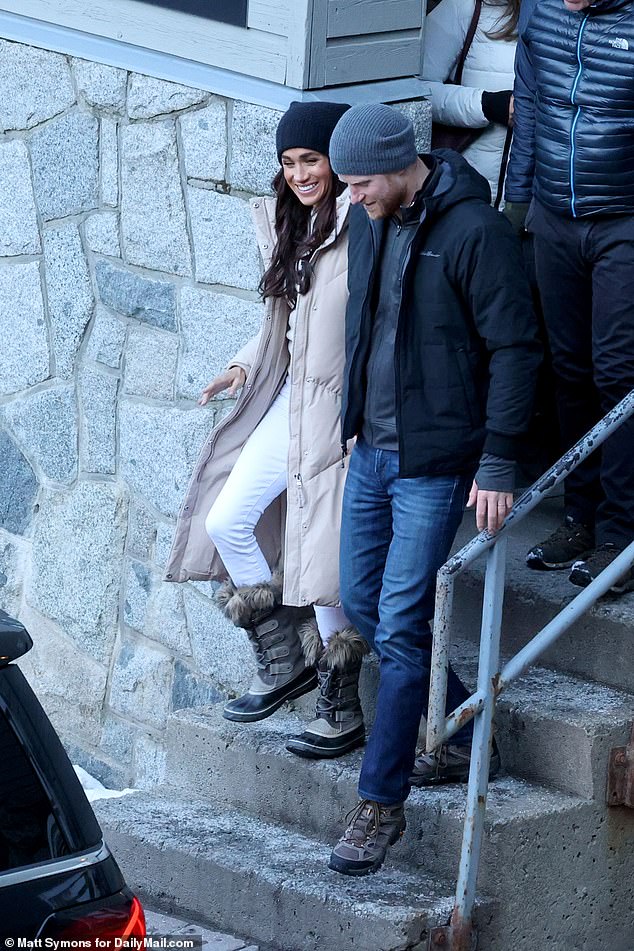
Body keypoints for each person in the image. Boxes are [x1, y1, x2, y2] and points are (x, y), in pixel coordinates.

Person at [324, 103, 541, 876]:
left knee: (405, 621)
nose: (350, 196)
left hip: (435, 461)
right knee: (361, 599)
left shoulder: (474, 233)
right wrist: (351, 419)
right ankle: (458, 724)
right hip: (373, 451)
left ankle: (381, 805)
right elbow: (366, 326)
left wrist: (498, 460)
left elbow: (516, 348)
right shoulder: (371, 220)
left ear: (397, 161)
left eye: (359, 182)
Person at [165, 100, 370, 760]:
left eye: (311, 160)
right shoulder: (289, 220)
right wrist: (241, 366)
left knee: (320, 555)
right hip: (286, 399)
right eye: (288, 163)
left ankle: (340, 700)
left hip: (339, 408)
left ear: (338, 160)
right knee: (228, 521)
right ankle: (287, 659)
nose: (299, 173)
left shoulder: (362, 223)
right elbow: (281, 330)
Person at [505, 0, 634, 593]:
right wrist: (520, 197)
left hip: (624, 222)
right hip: (553, 214)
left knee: (618, 371)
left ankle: (622, 529)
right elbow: (528, 104)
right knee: (568, 367)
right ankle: (580, 516)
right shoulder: (539, 12)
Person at [421, 0, 518, 206]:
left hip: (534, 201)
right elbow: (421, 93)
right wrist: (487, 105)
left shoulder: (559, 12)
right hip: (467, 191)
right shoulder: (464, 7)